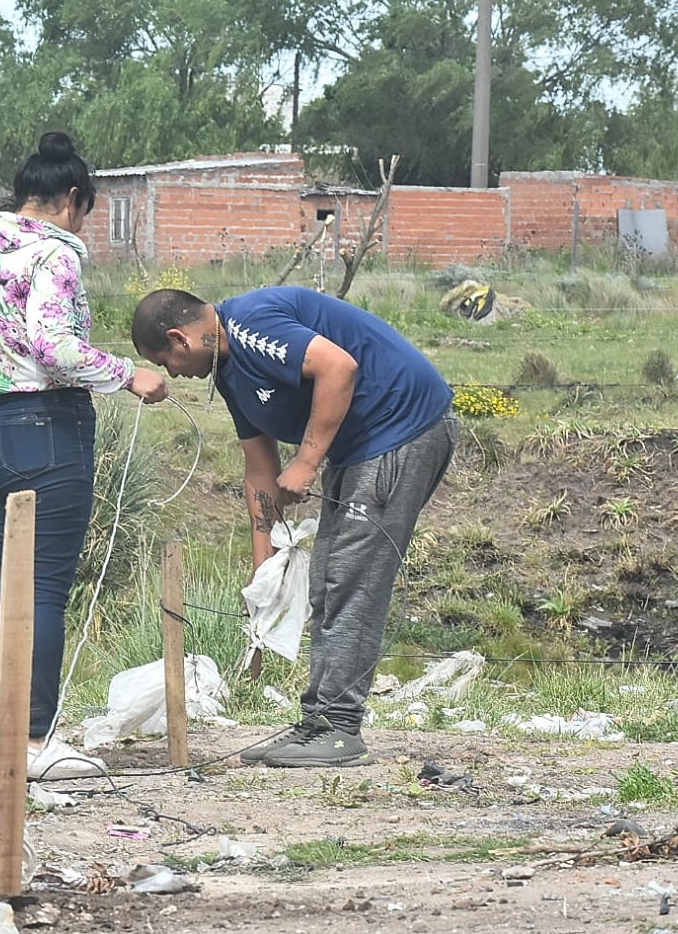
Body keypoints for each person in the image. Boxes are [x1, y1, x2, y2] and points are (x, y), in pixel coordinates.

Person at [130, 286, 458, 768]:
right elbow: (259, 470)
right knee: (326, 581)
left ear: (180, 339)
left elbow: (337, 368)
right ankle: (319, 723)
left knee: (353, 578)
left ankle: (341, 729)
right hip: (359, 447)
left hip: (401, 427)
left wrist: (305, 463)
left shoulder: (249, 326)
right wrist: (263, 571)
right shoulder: (229, 372)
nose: (171, 373)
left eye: (165, 362)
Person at [0, 131, 168, 783]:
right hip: (44, 427)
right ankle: (36, 742)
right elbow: (54, 347)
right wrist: (129, 375)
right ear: (72, 199)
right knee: (43, 589)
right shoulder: (53, 256)